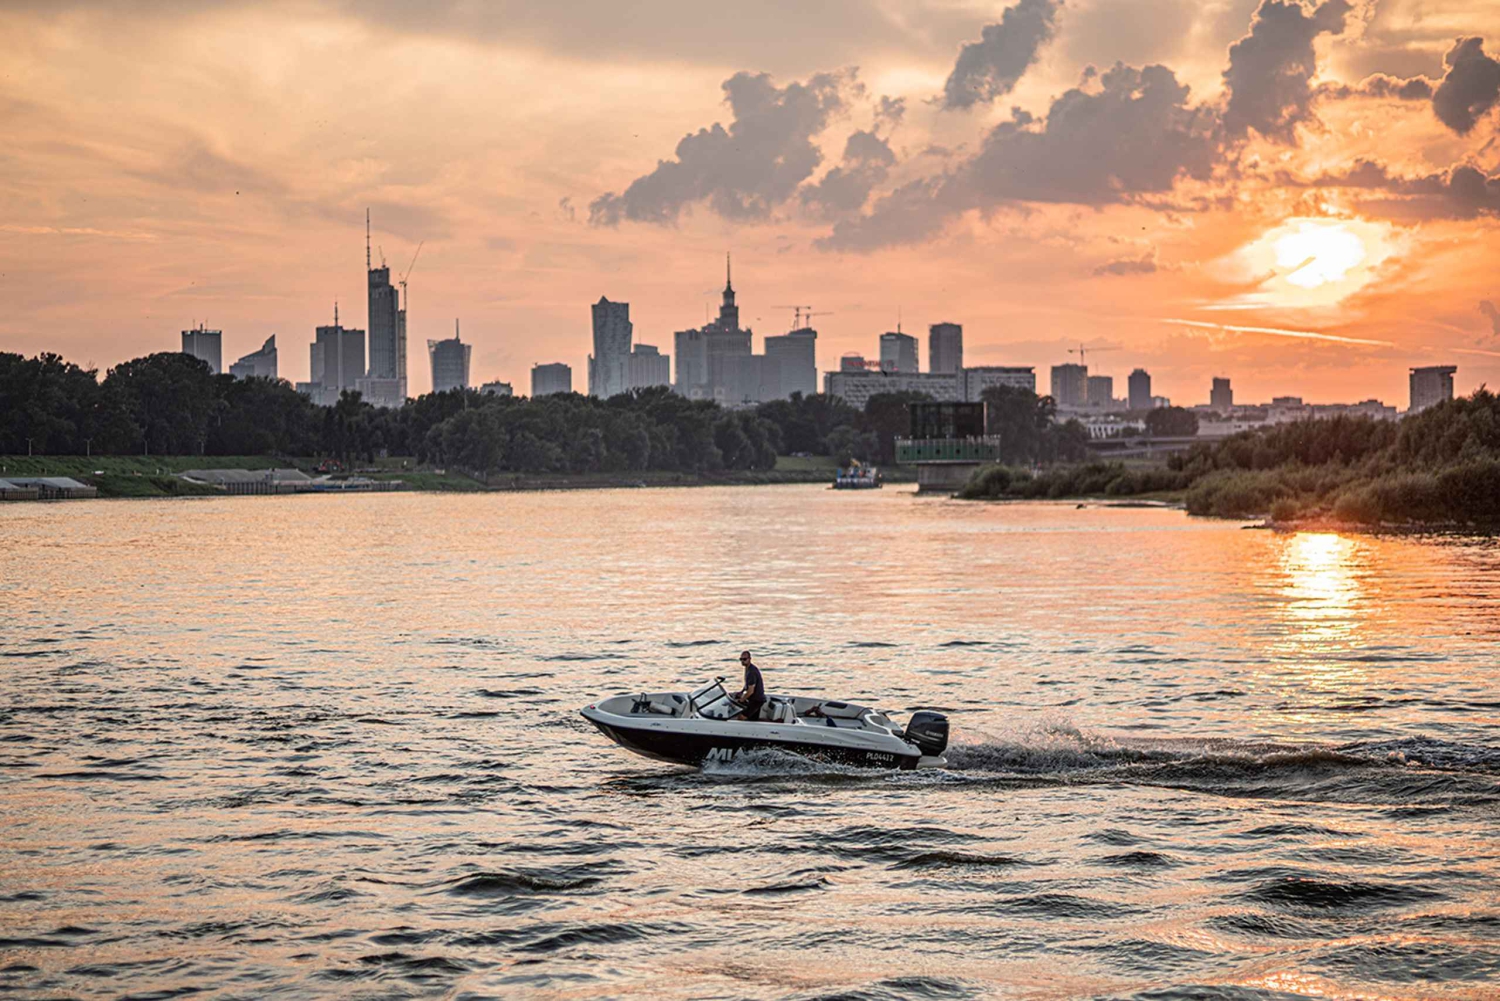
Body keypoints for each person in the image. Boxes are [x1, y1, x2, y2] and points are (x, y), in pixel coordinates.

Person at [732, 650, 766, 721]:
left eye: (744, 659)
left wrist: (742, 700)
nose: (742, 661)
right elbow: (747, 684)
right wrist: (741, 692)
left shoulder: (751, 672)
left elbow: (750, 691)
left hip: (756, 700)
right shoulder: (747, 669)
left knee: (741, 716)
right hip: (754, 698)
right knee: (753, 719)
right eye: (741, 659)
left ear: (750, 659)